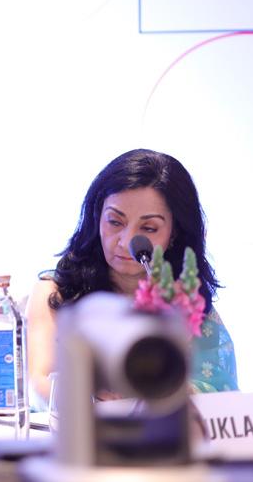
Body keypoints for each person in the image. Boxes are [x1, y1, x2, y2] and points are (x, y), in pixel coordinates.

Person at [27, 149, 238, 404]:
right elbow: (40, 383)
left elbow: (219, 393)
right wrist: (90, 391)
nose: (127, 241)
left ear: (174, 234)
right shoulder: (56, 291)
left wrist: (165, 389)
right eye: (115, 222)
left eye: (148, 228)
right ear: (97, 217)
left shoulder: (183, 302)